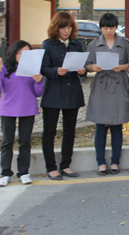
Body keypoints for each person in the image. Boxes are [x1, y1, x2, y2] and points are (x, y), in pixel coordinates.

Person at [85, 13, 129, 176]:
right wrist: (93, 68)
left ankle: (115, 161)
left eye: (111, 27)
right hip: (101, 86)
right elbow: (86, 65)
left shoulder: (125, 43)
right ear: (101, 28)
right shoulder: (93, 45)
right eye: (105, 28)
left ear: (116, 27)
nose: (108, 31)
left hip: (119, 85)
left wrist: (122, 67)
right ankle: (100, 162)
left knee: (117, 126)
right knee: (100, 126)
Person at [40, 11, 87, 180]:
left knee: (69, 131)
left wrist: (82, 71)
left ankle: (65, 165)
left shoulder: (76, 44)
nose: (66, 31)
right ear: (56, 28)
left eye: (69, 27)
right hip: (53, 92)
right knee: (49, 132)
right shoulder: (47, 44)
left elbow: (82, 68)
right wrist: (55, 71)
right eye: (63, 27)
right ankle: (51, 167)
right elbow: (43, 68)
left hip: (72, 92)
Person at [0, 41, 44, 186]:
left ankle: (23, 172)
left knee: (25, 142)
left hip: (28, 109)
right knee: (7, 142)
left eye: (28, 53)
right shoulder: (5, 69)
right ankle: (5, 173)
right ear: (14, 54)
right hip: (8, 109)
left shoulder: (33, 70)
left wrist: (39, 81)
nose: (25, 56)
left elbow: (39, 92)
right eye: (21, 53)